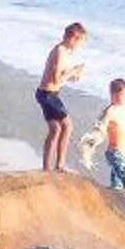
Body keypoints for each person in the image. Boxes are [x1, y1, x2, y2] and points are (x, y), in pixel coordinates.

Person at [36, 23, 88, 171]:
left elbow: (61, 78)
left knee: (56, 129)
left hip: (49, 94)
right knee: (67, 126)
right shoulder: (59, 51)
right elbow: (57, 79)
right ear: (73, 38)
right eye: (80, 42)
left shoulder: (64, 51)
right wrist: (72, 71)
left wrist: (74, 75)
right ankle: (60, 165)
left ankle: (48, 167)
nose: (80, 46)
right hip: (47, 95)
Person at [95, 78, 125, 195]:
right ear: (114, 95)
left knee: (117, 186)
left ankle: (114, 198)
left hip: (124, 153)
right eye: (124, 95)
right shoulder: (110, 111)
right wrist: (92, 141)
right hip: (115, 154)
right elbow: (99, 127)